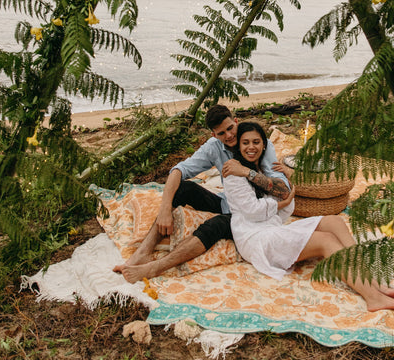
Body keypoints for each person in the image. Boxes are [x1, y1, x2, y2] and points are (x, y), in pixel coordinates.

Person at [223, 121, 394, 312]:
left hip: (272, 228)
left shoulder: (260, 170)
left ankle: (374, 282)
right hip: (255, 238)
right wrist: (279, 200)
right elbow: (255, 211)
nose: (251, 147)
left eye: (256, 142)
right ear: (238, 146)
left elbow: (286, 208)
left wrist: (279, 188)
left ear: (264, 145)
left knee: (334, 221)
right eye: (245, 143)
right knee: (326, 241)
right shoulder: (233, 174)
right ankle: (374, 298)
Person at [114, 104, 290, 283]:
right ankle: (143, 253)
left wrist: (246, 172)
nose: (229, 136)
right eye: (221, 133)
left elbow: (283, 189)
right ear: (214, 135)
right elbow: (179, 170)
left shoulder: (257, 142)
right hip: (227, 202)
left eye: (230, 128)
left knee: (215, 225)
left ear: (236, 122)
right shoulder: (214, 146)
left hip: (253, 214)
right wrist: (165, 210)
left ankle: (156, 267)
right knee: (183, 188)